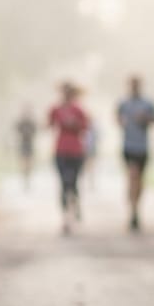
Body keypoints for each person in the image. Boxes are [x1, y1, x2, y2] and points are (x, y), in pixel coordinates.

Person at [47, 80, 91, 234]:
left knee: (73, 182)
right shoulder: (55, 108)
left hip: (77, 151)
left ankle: (75, 205)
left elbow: (86, 127)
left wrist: (74, 124)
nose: (66, 94)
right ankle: (66, 216)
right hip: (60, 150)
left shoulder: (79, 110)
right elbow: (48, 125)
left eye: (69, 92)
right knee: (64, 182)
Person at [117, 75, 154, 231]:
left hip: (143, 147)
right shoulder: (123, 103)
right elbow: (117, 119)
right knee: (132, 176)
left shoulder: (147, 103)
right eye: (132, 84)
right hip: (128, 146)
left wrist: (146, 118)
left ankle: (136, 207)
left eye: (137, 84)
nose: (134, 87)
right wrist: (121, 122)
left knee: (139, 180)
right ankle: (132, 210)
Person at [15, 105, 38, 189]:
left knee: (29, 162)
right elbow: (17, 130)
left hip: (30, 143)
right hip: (23, 143)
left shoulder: (32, 122)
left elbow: (35, 131)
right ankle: (24, 176)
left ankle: (28, 176)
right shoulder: (21, 122)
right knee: (23, 161)